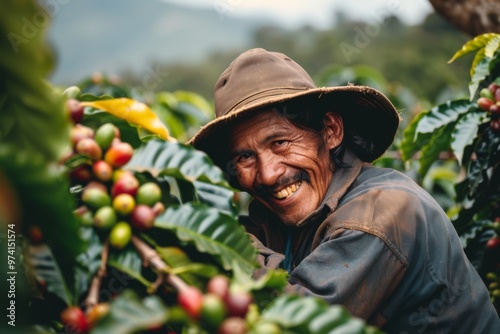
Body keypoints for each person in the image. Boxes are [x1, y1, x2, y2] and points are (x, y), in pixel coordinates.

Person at [188, 48, 500, 332]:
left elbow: (291, 323)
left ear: (331, 131)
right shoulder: (283, 216)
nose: (268, 175)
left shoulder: (381, 213)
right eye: (245, 157)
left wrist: (220, 243)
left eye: (280, 142)